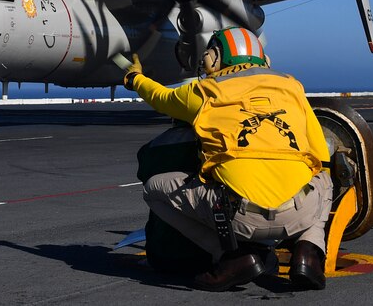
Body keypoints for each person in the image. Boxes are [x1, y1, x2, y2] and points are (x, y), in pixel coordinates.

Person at [123, 27, 333, 291]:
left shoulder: (205, 91)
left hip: (238, 217)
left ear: (213, 58)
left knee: (153, 189)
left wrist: (135, 79)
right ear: (264, 60)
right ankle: (309, 251)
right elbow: (321, 156)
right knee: (324, 176)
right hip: (298, 211)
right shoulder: (292, 87)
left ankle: (231, 258)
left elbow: (160, 97)